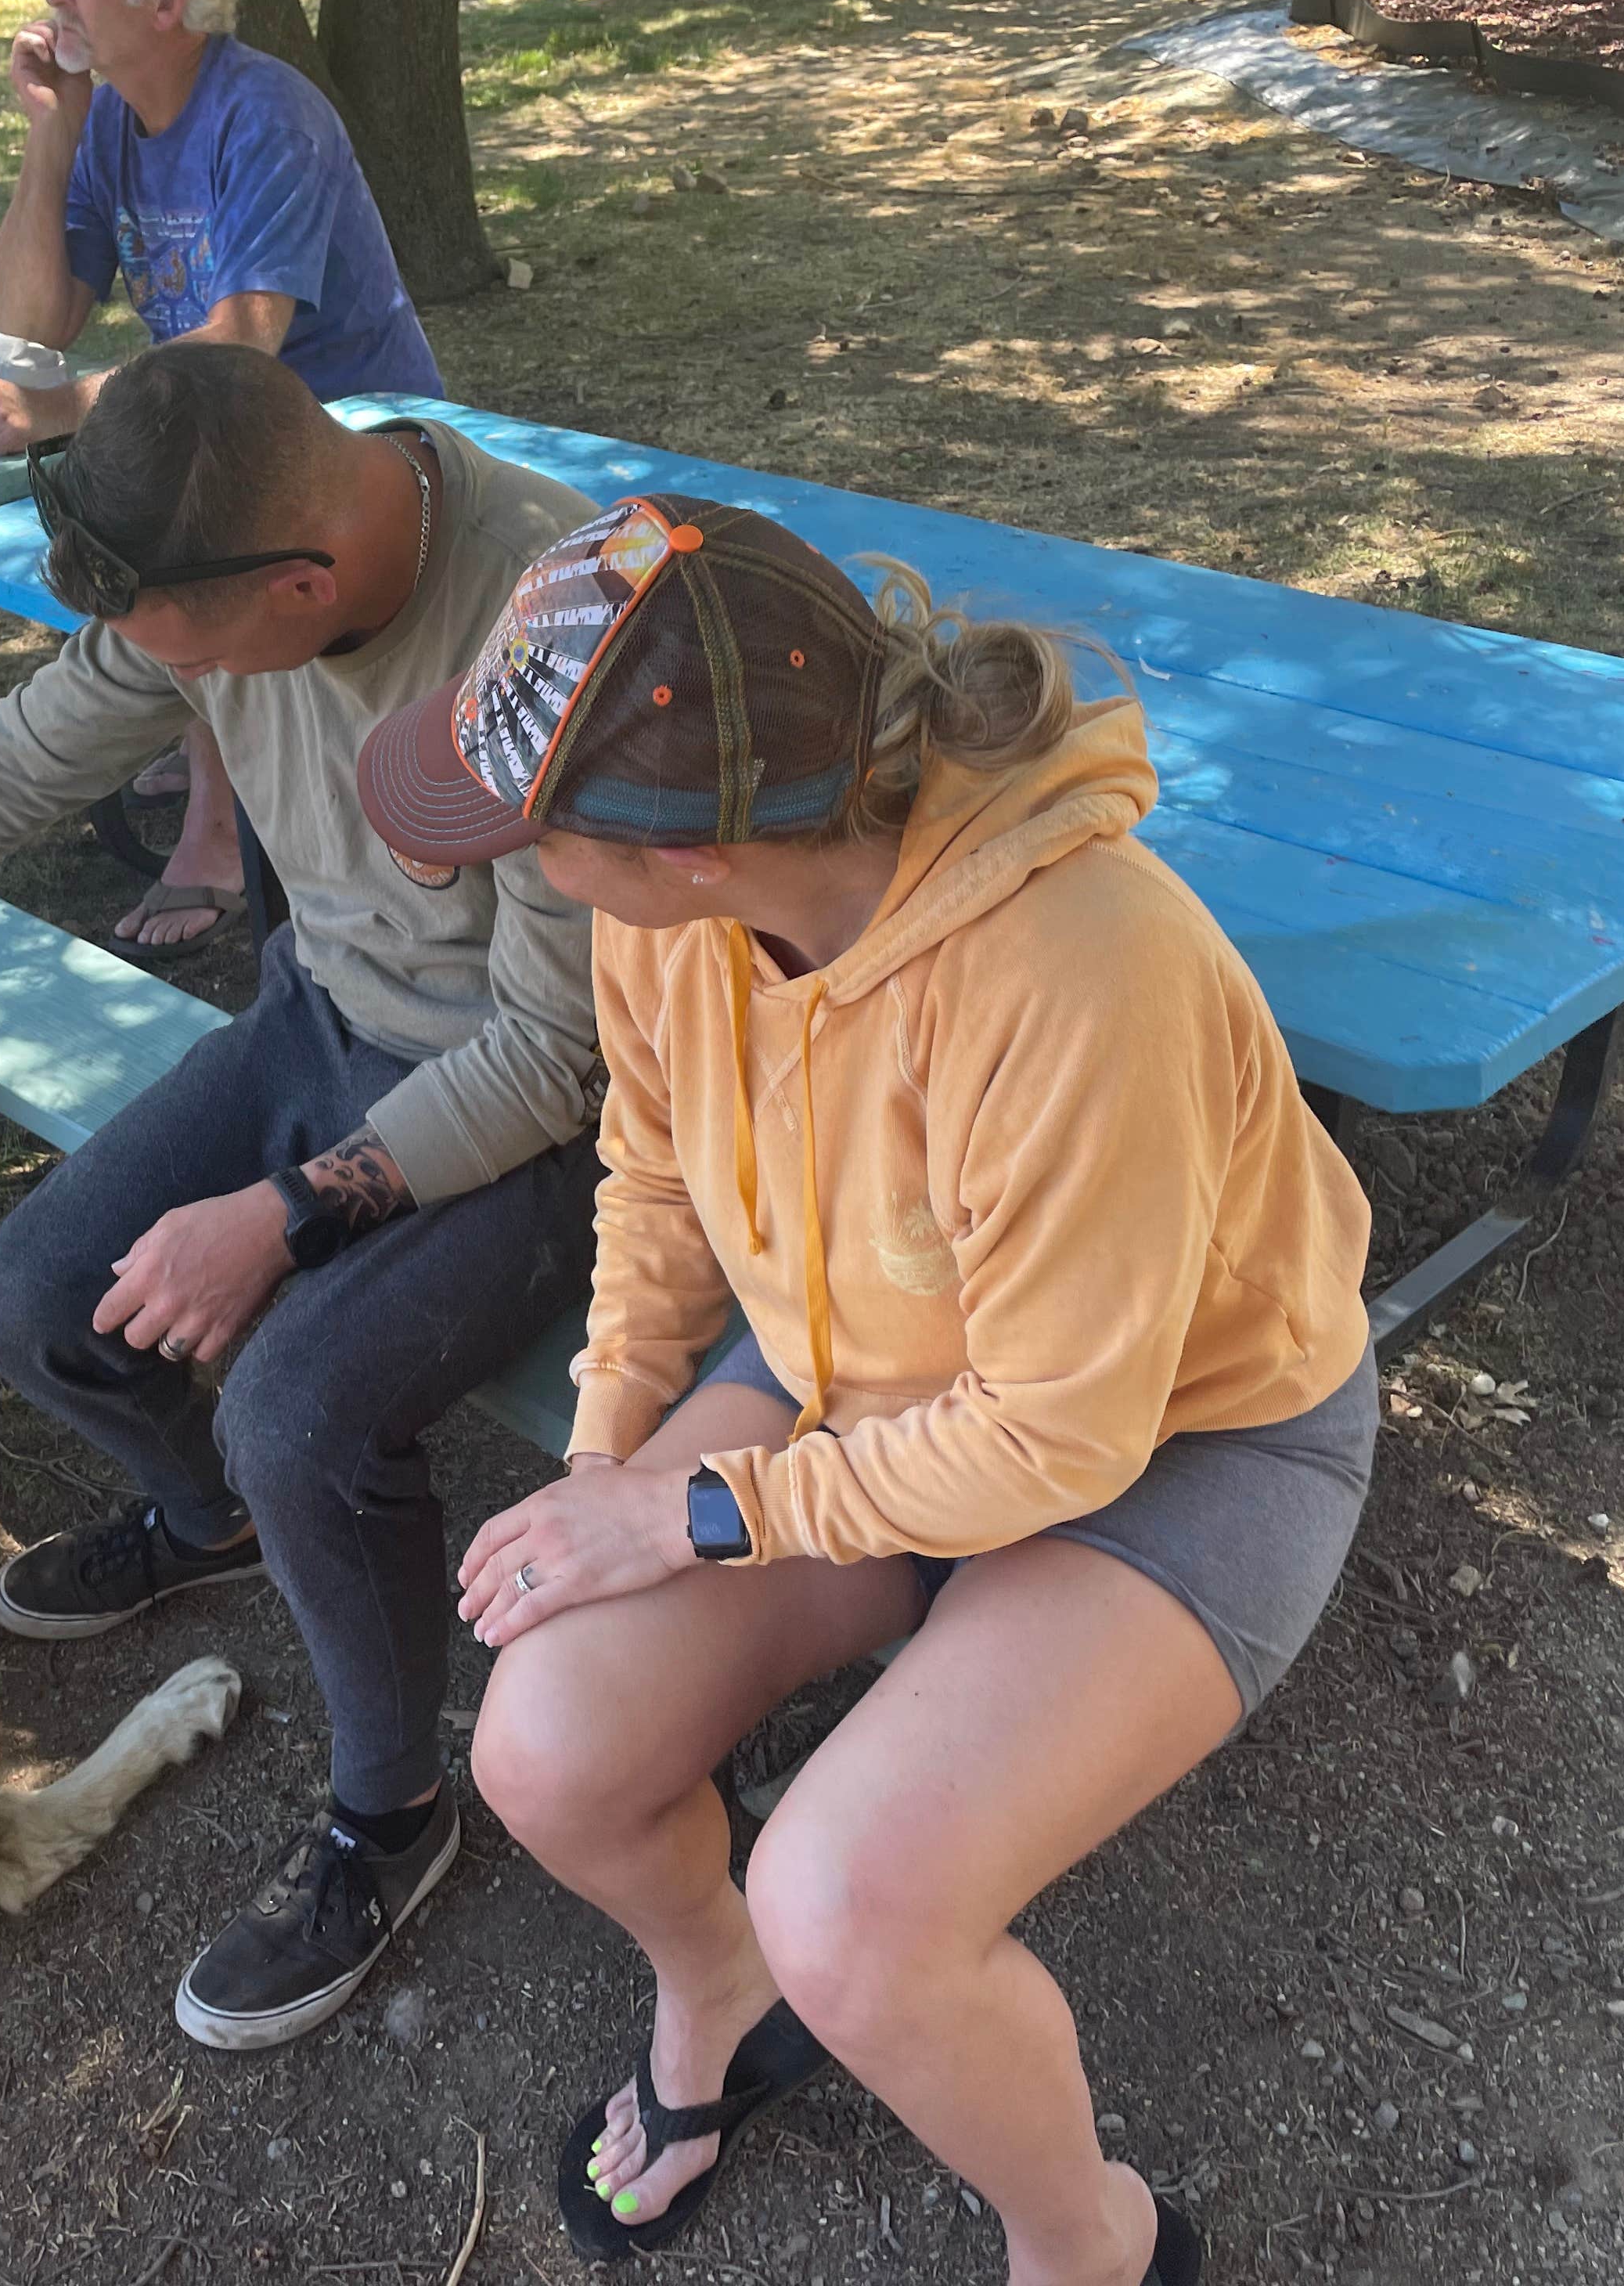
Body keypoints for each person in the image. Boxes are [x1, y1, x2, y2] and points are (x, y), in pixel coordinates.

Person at [355, 499, 1377, 2282]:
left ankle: (1091, 2245)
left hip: (1182, 1437)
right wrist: (612, 1457)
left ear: (681, 850)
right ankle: (717, 1987)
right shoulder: (674, 913)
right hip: (859, 1368)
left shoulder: (1079, 970)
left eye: (524, 833)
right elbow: (660, 1185)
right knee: (551, 1744)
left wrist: (694, 1507)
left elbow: (1063, 1431)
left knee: (857, 1911)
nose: (492, 864)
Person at [0, 342, 601, 2053]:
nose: (161, 685)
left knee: (296, 1411)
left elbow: (556, 1060)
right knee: (26, 1301)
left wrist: (286, 1216)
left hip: (540, 1113)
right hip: (325, 1017)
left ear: (303, 585)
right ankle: (202, 1523)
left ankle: (391, 1809)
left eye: (185, 656)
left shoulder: (544, 617)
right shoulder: (226, 575)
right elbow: (17, 755)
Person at [0, 0, 446, 961]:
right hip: (238, 426)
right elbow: (31, 321)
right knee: (153, 492)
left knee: (179, 521)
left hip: (356, 435)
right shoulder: (116, 122)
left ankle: (219, 830)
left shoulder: (265, 112)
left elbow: (247, 344)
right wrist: (53, 130)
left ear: (163, 3)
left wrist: (60, 407)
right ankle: (213, 758)